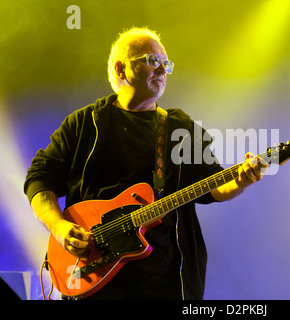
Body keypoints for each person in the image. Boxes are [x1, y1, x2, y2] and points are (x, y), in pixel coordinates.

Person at [24, 27, 268, 300]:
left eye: (166, 64)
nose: (163, 70)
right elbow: (39, 178)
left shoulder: (179, 127)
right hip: (91, 278)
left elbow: (214, 186)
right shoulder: (84, 123)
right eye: (152, 61)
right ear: (120, 69)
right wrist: (58, 227)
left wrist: (242, 180)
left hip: (164, 282)